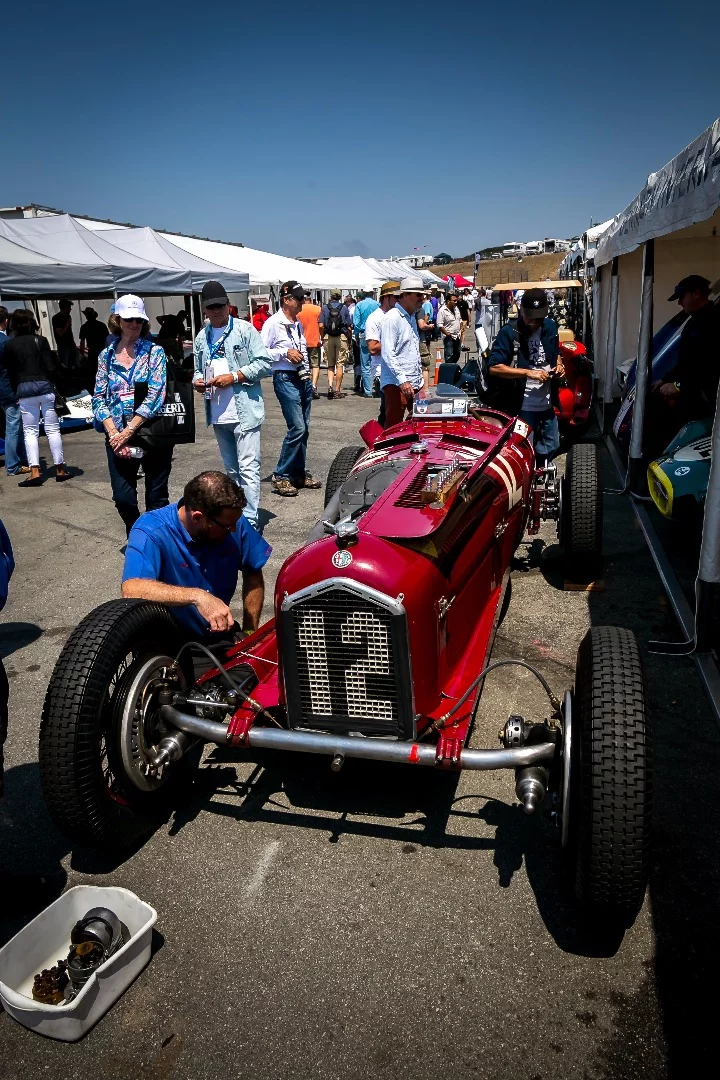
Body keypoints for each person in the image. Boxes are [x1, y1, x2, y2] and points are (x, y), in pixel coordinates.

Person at [122, 471, 271, 643]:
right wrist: (197, 597)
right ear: (198, 517)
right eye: (228, 527)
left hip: (219, 634)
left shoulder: (232, 521)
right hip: (171, 643)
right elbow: (132, 588)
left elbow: (253, 571)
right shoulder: (150, 531)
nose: (235, 531)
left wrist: (250, 631)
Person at [192, 280, 272, 529]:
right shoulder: (201, 337)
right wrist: (196, 380)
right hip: (218, 413)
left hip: (244, 411)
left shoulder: (244, 330)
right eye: (211, 307)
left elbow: (265, 363)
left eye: (220, 305)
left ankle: (249, 521)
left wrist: (235, 376)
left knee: (249, 468)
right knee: (232, 471)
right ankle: (236, 515)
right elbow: (197, 368)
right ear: (204, 309)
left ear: (228, 305)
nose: (216, 310)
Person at [92, 294, 171, 536]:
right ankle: (138, 533)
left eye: (139, 319)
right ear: (118, 319)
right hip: (116, 434)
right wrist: (114, 433)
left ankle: (154, 543)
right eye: (129, 319)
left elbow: (157, 393)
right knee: (123, 497)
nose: (134, 324)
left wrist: (129, 431)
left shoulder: (154, 352)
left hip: (151, 431)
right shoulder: (105, 356)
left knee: (156, 497)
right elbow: (98, 397)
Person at [486, 288, 563, 465]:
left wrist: (559, 366)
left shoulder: (550, 326)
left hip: (547, 403)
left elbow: (555, 352)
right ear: (521, 309)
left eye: (538, 318)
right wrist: (528, 372)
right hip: (522, 406)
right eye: (529, 316)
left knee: (552, 445)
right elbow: (494, 367)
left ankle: (541, 474)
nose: (532, 322)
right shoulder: (509, 332)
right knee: (522, 449)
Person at [261, 280, 321, 497]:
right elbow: (260, 352)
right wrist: (284, 353)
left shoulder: (296, 322)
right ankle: (282, 475)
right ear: (287, 300)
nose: (303, 301)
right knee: (297, 428)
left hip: (300, 376)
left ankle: (297, 473)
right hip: (285, 377)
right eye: (299, 298)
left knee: (304, 428)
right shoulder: (272, 323)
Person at [2, 309, 70, 486]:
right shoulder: (40, 340)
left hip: (24, 391)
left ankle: (34, 472)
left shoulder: (10, 344)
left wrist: (16, 391)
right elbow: (51, 367)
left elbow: (11, 372)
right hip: (44, 387)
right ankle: (60, 469)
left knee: (30, 432)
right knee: (53, 430)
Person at [653, 276, 720, 426]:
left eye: (682, 297)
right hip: (691, 394)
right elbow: (686, 361)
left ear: (696, 293)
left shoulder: (713, 321)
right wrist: (666, 378)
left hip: (706, 400)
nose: (679, 303)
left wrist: (678, 386)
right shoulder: (694, 321)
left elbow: (709, 367)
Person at [380, 276, 425, 428]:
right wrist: (402, 380)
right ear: (405, 295)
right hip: (397, 383)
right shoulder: (392, 318)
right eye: (418, 295)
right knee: (394, 427)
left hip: (414, 381)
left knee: (420, 423)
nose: (422, 298)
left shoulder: (411, 317)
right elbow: (388, 353)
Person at [0, 306, 30, 476]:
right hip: (7, 389)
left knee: (13, 426)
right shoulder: (5, 342)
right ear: (5, 321)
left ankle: (18, 460)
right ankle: (13, 465)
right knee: (13, 427)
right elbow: (13, 367)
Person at [365, 282, 399, 409]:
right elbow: (372, 348)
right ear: (386, 297)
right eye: (395, 297)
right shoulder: (375, 318)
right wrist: (393, 343)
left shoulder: (398, 316)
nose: (398, 300)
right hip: (382, 372)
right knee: (388, 411)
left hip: (397, 371)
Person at [318, 291, 352, 399]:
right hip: (341, 337)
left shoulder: (325, 308)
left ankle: (330, 386)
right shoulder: (344, 308)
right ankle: (337, 390)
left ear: (331, 297)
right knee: (340, 364)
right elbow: (349, 326)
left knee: (330, 364)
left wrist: (323, 337)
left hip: (328, 337)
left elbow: (321, 325)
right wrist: (349, 339)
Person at [352, 289, 380, 397]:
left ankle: (367, 390)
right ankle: (378, 387)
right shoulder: (377, 304)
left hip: (364, 334)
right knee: (377, 361)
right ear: (372, 294)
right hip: (377, 335)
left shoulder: (359, 305)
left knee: (365, 364)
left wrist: (357, 335)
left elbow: (356, 323)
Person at [298, 293, 323, 400]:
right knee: (315, 365)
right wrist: (320, 336)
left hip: (301, 341)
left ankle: (304, 386)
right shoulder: (318, 309)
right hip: (314, 341)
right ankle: (313, 386)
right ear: (311, 300)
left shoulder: (298, 310)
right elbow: (321, 325)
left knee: (302, 365)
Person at [78, 307, 109, 384]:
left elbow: (82, 342)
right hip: (102, 350)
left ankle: (95, 384)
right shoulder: (102, 325)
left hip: (92, 351)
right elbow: (107, 339)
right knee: (103, 369)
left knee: (92, 371)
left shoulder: (84, 327)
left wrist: (82, 355)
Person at [51, 298, 78, 370]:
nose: (70, 309)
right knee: (64, 364)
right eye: (69, 307)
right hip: (63, 344)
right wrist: (67, 324)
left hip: (71, 343)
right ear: (64, 308)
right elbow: (60, 333)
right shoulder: (56, 318)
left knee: (74, 362)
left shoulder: (68, 316)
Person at [438, 292, 462, 363]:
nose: (456, 302)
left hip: (457, 335)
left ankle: (454, 368)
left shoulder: (456, 309)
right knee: (449, 355)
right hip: (449, 336)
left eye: (456, 300)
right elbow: (439, 325)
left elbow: (459, 319)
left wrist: (461, 328)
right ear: (448, 301)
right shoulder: (442, 310)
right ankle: (449, 370)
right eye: (454, 301)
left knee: (457, 353)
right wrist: (447, 334)